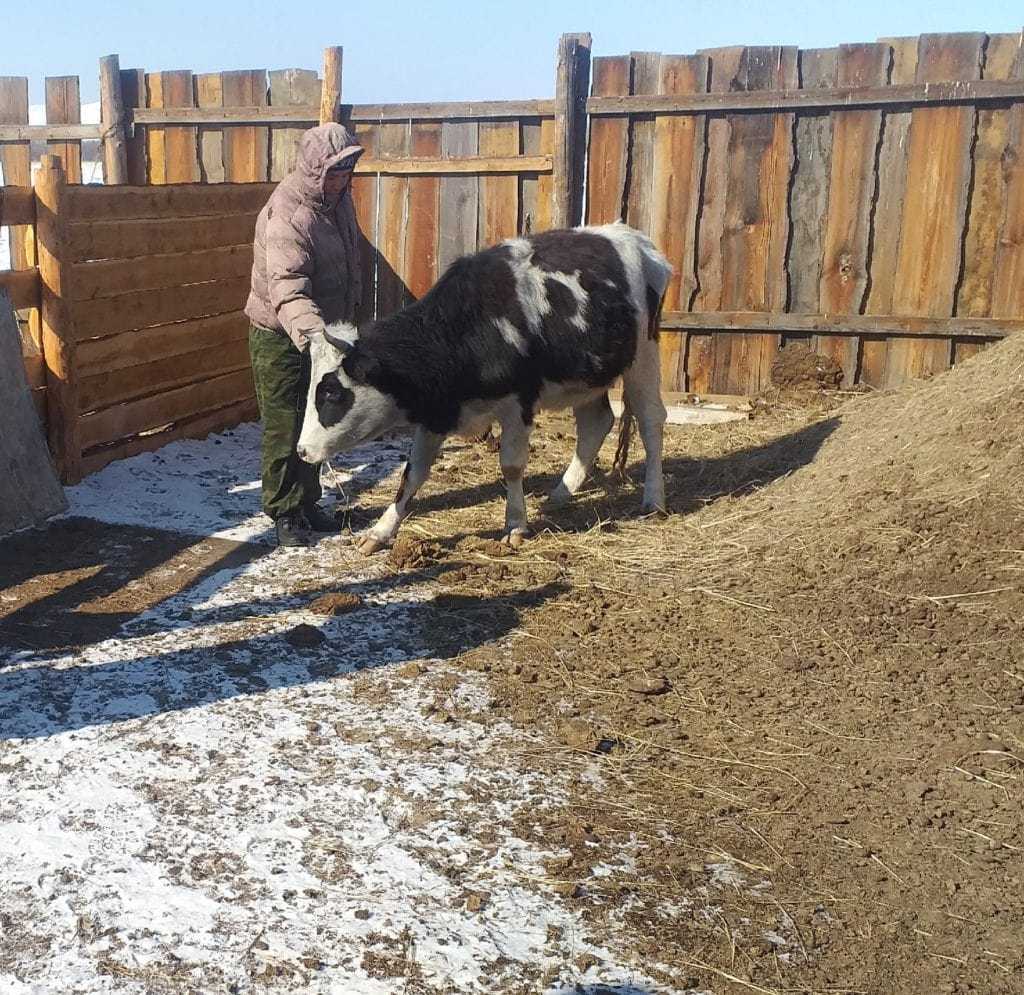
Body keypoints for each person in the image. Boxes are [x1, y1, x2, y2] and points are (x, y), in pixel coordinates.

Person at [245, 123, 365, 547]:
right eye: (334, 169)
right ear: (314, 168)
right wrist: (316, 336)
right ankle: (284, 511)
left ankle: (308, 501)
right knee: (285, 423)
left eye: (347, 168)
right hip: (281, 335)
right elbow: (287, 286)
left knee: (316, 420)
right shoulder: (290, 214)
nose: (341, 177)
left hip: (322, 334)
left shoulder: (338, 203)